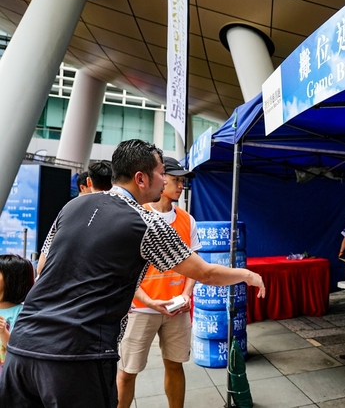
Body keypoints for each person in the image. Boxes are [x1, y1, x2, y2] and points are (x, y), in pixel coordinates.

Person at [0, 139, 265, 407]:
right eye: (162, 173)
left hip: (22, 346)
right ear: (141, 178)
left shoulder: (71, 207)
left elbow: (43, 267)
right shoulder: (146, 223)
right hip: (76, 355)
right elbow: (205, 273)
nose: (165, 181)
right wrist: (247, 275)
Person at [116, 157, 199, 408]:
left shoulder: (187, 220)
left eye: (182, 181)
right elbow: (123, 269)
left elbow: (194, 265)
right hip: (141, 309)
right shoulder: (137, 217)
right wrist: (148, 301)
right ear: (161, 180)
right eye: (175, 180)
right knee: (127, 372)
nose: (181, 185)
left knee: (175, 365)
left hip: (177, 309)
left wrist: (186, 294)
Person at [0, 254, 34, 376]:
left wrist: (3, 332)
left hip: (7, 375)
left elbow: (19, 348)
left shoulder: (22, 313)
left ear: (12, 281)